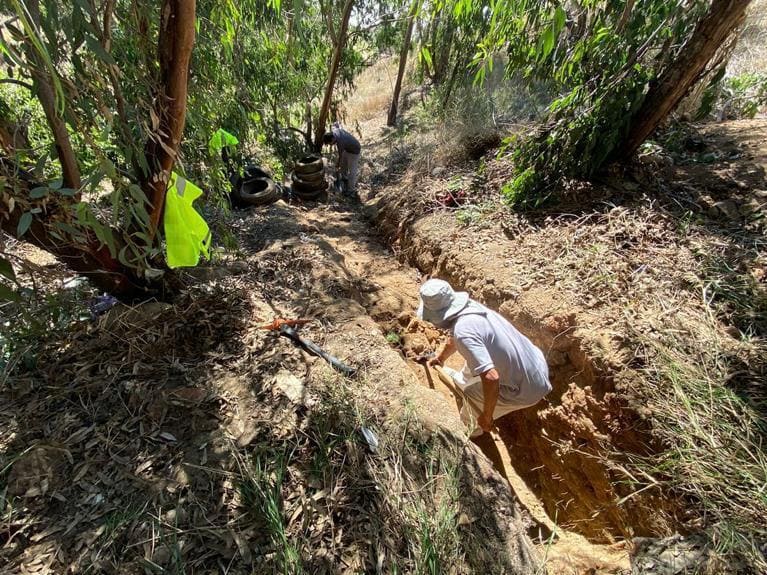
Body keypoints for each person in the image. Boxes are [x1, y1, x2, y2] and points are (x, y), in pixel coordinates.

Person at [417, 279, 552, 437]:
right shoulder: (469, 308)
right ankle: (463, 382)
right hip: (535, 363)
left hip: (528, 388)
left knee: (473, 395)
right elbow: (457, 338)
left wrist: (486, 416)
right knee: (475, 358)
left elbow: (491, 377)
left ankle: (469, 430)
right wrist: (441, 358)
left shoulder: (463, 332)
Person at [322, 123, 361, 196]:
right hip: (347, 149)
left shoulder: (340, 142)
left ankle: (351, 190)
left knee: (352, 172)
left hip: (354, 152)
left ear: (333, 139)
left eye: (330, 143)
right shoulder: (334, 131)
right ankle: (344, 179)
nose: (331, 145)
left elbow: (340, 156)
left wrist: (337, 164)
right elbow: (335, 124)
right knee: (343, 166)